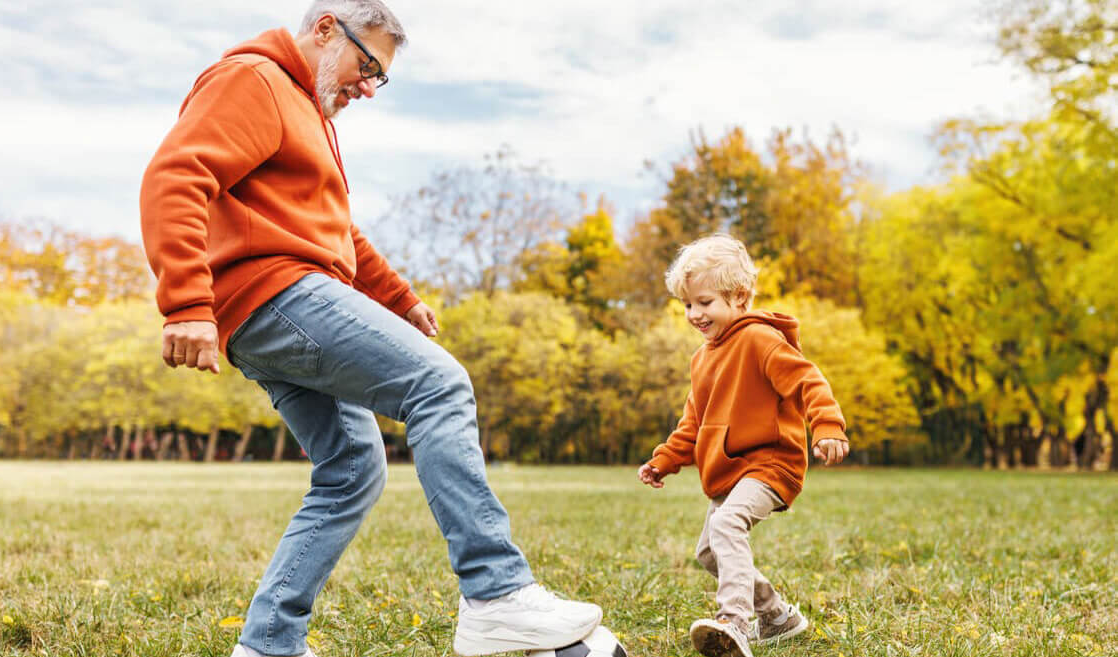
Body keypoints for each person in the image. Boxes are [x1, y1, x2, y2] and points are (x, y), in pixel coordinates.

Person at [138, 2, 601, 656]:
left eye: (379, 78)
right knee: (440, 385)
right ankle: (496, 592)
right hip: (275, 290)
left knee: (353, 466)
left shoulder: (308, 113)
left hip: (277, 300)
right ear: (326, 26)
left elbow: (335, 230)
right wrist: (185, 302)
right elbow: (175, 176)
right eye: (366, 66)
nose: (366, 87)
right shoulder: (254, 79)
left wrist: (399, 298)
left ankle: (268, 644)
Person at [636, 234, 849, 657]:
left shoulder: (759, 340)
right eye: (688, 305)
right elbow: (692, 423)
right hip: (729, 473)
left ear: (739, 297)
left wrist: (826, 426)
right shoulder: (702, 359)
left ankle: (734, 620)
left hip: (770, 463)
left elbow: (808, 380)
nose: (695, 314)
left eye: (705, 302)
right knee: (709, 551)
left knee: (726, 525)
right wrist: (665, 460)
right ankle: (777, 616)